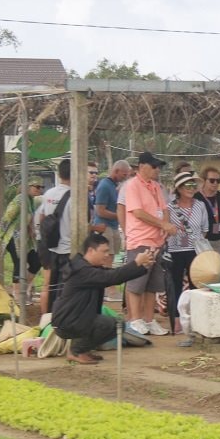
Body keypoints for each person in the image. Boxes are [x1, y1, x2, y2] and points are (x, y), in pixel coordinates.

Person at [54, 233, 156, 364]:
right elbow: (112, 277)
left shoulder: (86, 267)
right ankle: (77, 351)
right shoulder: (82, 270)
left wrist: (142, 266)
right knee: (113, 325)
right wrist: (136, 262)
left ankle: (81, 350)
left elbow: (112, 274)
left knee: (112, 324)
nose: (107, 255)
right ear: (91, 250)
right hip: (68, 322)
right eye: (104, 251)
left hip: (73, 319)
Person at [123, 151, 175, 335]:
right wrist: (163, 224)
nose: (157, 170)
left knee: (153, 284)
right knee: (137, 282)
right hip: (140, 240)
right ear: (142, 166)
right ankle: (135, 319)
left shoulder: (156, 186)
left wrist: (166, 227)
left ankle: (149, 319)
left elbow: (164, 208)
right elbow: (138, 212)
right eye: (154, 166)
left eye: (158, 166)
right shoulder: (132, 186)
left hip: (157, 240)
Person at [166, 171, 209, 334]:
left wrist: (195, 242)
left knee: (196, 285)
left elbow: (205, 230)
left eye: (193, 185)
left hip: (195, 252)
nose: (191, 188)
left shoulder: (200, 205)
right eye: (187, 185)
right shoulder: (170, 207)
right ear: (179, 188)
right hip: (176, 250)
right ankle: (176, 321)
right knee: (175, 285)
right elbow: (166, 227)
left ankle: (196, 319)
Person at [0, 176, 44, 307]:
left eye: (41, 187)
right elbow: (7, 217)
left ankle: (24, 289)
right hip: (14, 236)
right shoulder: (19, 200)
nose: (39, 190)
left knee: (36, 261)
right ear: (27, 187)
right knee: (19, 262)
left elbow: (29, 218)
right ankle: (17, 294)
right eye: (37, 187)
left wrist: (32, 230)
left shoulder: (30, 201)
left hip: (25, 238)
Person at [36, 158, 74, 314]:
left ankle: (48, 319)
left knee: (51, 286)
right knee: (67, 288)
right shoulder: (76, 196)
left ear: (59, 174)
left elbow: (42, 217)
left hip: (51, 247)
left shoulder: (48, 194)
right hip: (69, 248)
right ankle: (64, 317)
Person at [93, 160, 131, 301]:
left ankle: (109, 289)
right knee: (106, 259)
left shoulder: (114, 186)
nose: (125, 177)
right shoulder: (104, 186)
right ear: (116, 171)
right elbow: (100, 211)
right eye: (124, 174)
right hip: (105, 226)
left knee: (112, 257)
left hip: (113, 226)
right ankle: (109, 290)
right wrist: (120, 215)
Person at [195, 164, 220, 256]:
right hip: (204, 241)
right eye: (212, 180)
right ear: (204, 181)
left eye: (218, 181)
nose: (215, 183)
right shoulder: (196, 198)